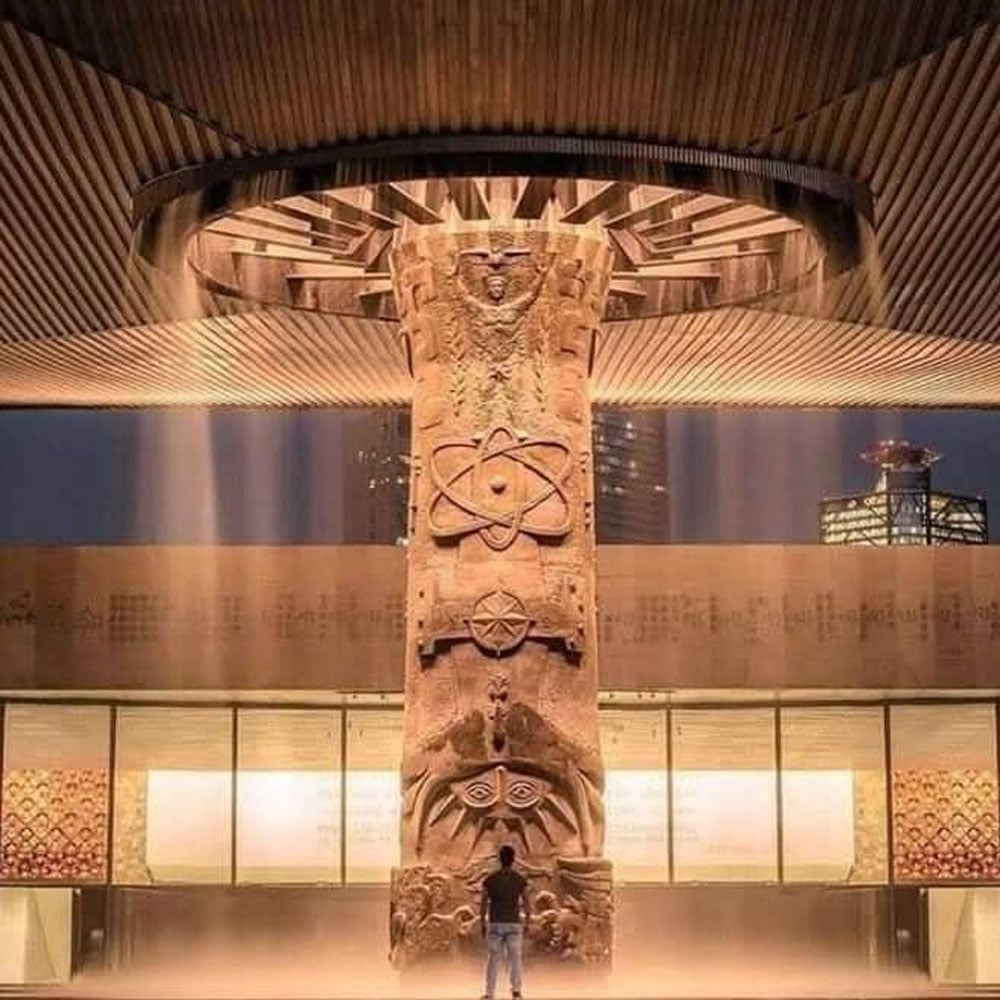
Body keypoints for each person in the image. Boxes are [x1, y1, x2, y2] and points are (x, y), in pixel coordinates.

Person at [480, 844, 532, 1000]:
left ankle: (490, 993)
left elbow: (483, 903)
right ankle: (516, 991)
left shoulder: (490, 879)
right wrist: (528, 920)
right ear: (513, 859)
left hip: (495, 922)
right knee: (515, 957)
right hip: (513, 923)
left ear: (499, 859)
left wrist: (482, 922)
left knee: (493, 958)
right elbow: (527, 901)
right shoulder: (520, 879)